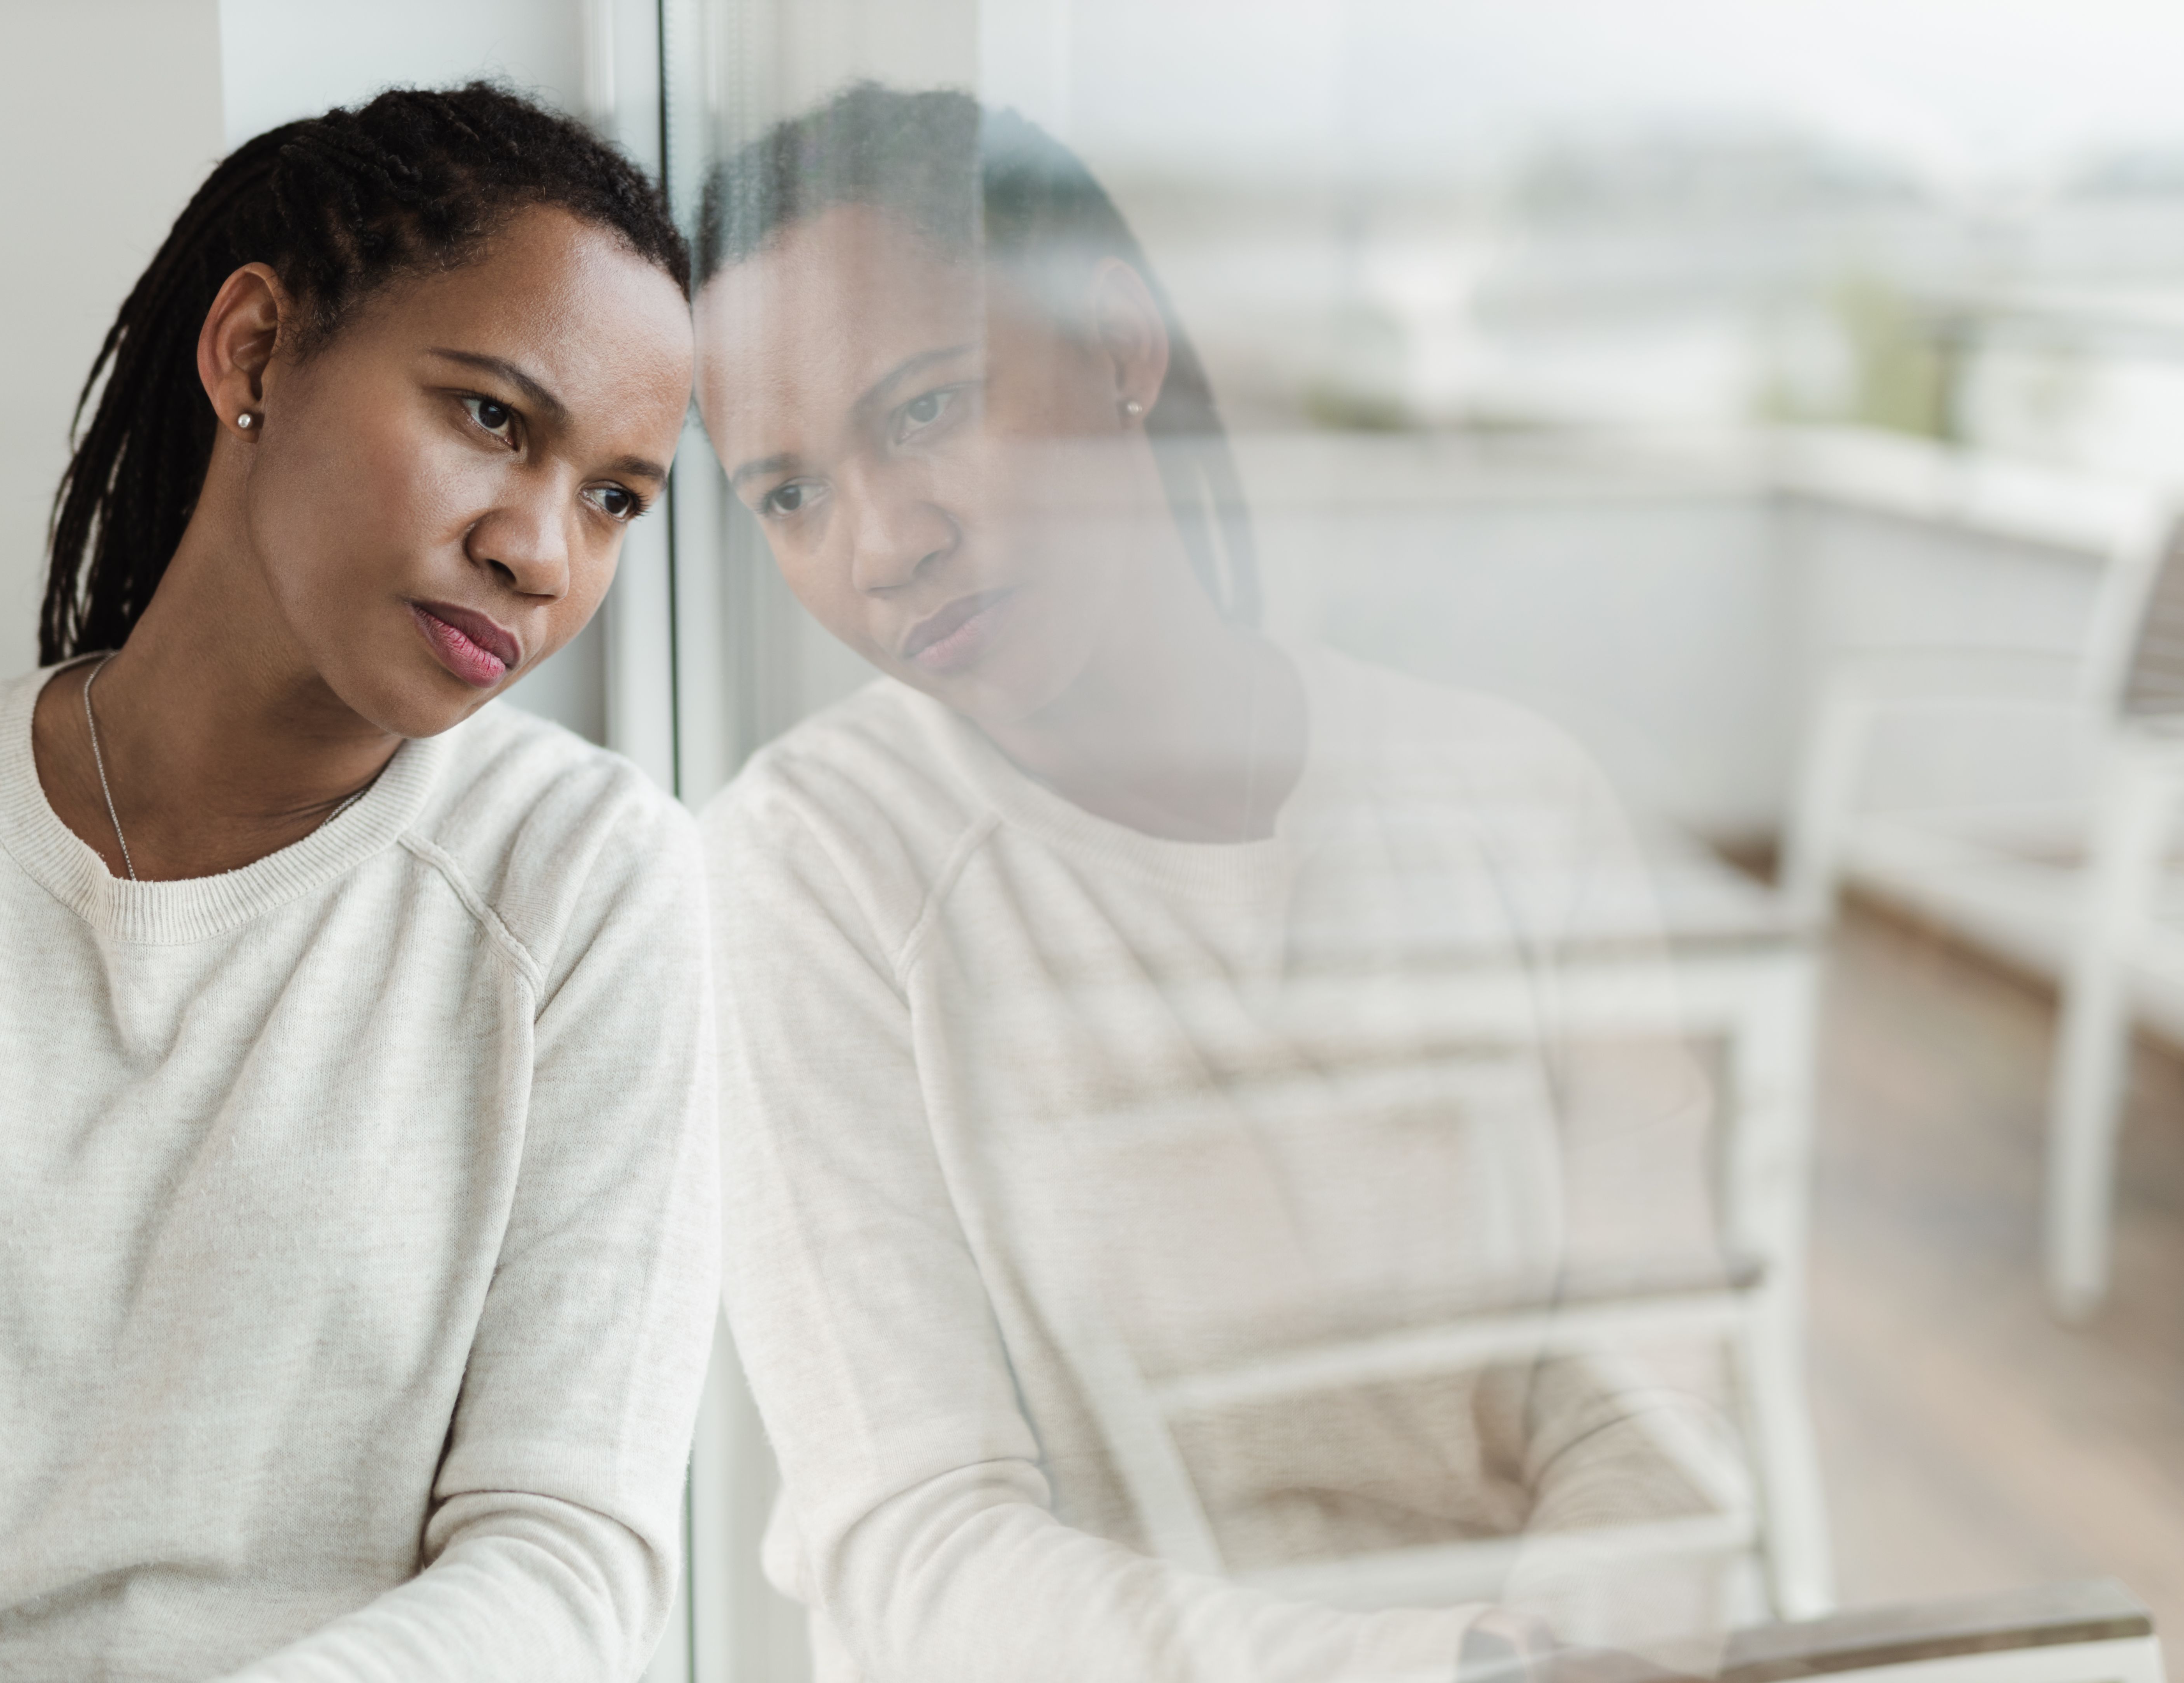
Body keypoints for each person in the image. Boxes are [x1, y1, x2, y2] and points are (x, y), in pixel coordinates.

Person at [693, 85, 1738, 1682]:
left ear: (1120, 343)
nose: (884, 541)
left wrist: (1564, 1648)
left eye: (925, 410)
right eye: (790, 495)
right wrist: (1447, 1668)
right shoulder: (808, 871)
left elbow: (1642, 1407)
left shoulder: (1518, 802)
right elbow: (912, 1538)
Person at [0, 84, 714, 1682]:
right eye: (490, 419)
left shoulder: (589, 883)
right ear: (253, 351)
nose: (542, 550)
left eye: (615, 499)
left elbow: (566, 1549)